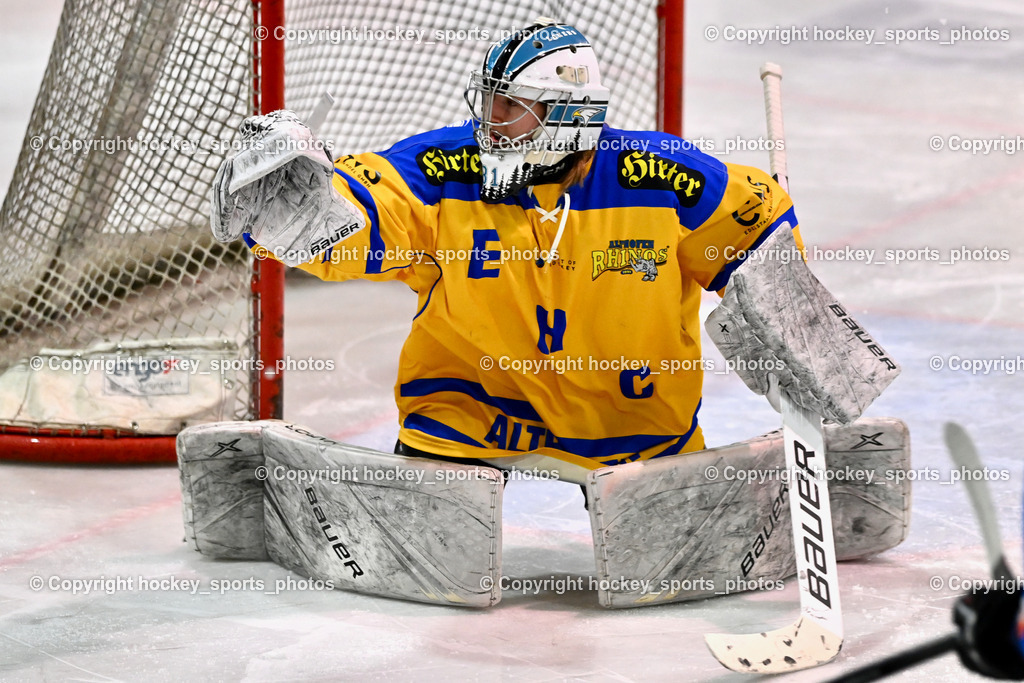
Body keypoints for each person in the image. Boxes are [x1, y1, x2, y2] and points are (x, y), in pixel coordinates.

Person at [212, 19, 801, 485]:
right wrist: (303, 208)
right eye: (490, 101)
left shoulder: (665, 177)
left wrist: (788, 316)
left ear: (569, 115)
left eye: (509, 106)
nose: (489, 121)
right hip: (468, 411)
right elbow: (366, 210)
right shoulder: (444, 167)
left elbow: (761, 224)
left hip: (632, 421)